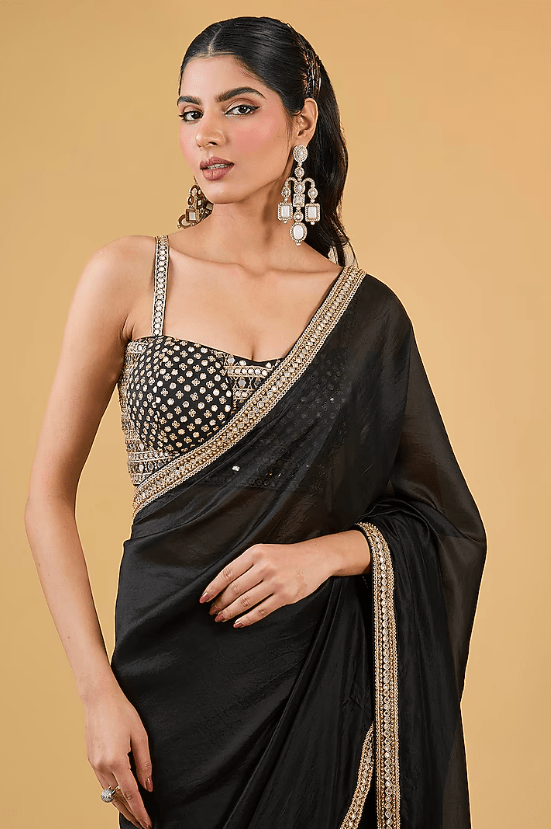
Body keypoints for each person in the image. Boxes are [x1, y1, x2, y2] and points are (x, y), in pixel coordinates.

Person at [24, 15, 486, 829]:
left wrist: (325, 554)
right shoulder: (130, 275)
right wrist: (97, 691)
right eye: (190, 112)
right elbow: (46, 497)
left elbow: (440, 520)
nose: (208, 134)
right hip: (167, 681)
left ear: (300, 123)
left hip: (311, 680)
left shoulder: (364, 316)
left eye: (238, 107)